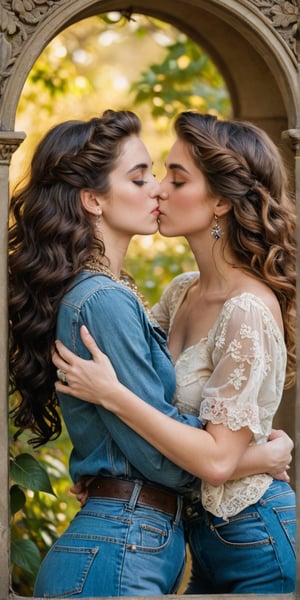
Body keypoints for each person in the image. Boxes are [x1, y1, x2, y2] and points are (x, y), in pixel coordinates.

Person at [52, 112, 296, 594]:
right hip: (195, 536)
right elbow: (152, 404)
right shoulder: (180, 293)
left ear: (222, 200)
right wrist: (107, 473)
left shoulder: (246, 309)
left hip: (257, 536)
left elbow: (217, 462)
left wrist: (111, 395)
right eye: (153, 175)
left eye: (175, 179)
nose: (159, 190)